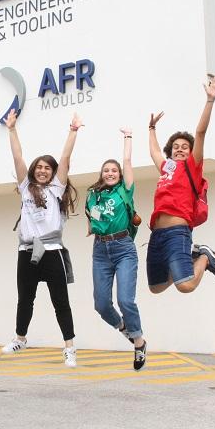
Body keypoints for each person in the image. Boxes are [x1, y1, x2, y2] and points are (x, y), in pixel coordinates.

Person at [0, 109, 82, 368]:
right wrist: (12, 129)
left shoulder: (56, 188)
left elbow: (65, 158)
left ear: (53, 172)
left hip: (51, 250)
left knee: (61, 302)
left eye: (47, 168)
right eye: (39, 167)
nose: (43, 171)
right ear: (33, 171)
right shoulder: (26, 188)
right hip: (27, 252)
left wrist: (73, 131)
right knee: (25, 299)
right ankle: (20, 339)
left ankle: (69, 348)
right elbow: (17, 156)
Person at [146, 74, 215, 296]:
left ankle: (204, 257)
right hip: (157, 235)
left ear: (191, 152)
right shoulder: (167, 168)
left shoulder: (192, 166)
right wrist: (151, 128)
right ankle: (191, 258)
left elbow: (200, 133)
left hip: (177, 231)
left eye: (184, 147)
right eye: (176, 147)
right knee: (156, 288)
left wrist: (210, 100)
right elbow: (154, 152)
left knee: (186, 285)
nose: (180, 149)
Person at [85, 127, 147, 371]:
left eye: (114, 170)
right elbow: (92, 216)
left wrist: (128, 137)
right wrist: (90, 227)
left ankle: (139, 342)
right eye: (106, 170)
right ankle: (125, 329)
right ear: (101, 175)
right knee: (101, 304)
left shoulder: (125, 190)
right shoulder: (93, 194)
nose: (110, 173)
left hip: (123, 248)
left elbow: (128, 161)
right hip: (100, 250)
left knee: (125, 300)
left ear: (119, 175)